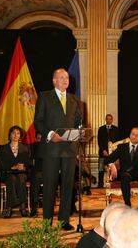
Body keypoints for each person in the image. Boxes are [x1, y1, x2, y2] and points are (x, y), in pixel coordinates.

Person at [34, 68, 83, 231]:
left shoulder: (74, 99)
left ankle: (64, 222)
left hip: (69, 149)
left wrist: (81, 131)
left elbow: (78, 122)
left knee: (68, 186)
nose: (65, 80)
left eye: (67, 77)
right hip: (51, 149)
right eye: (61, 77)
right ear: (54, 80)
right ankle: (47, 223)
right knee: (50, 185)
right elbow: (38, 122)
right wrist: (49, 134)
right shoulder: (44, 97)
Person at [105, 127, 138, 208]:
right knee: (125, 176)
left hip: (137, 172)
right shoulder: (121, 147)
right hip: (125, 172)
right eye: (132, 134)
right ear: (130, 135)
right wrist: (112, 165)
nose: (134, 136)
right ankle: (128, 205)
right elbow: (108, 159)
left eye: (137, 135)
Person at [0, 126, 30, 218]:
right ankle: (9, 208)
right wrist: (13, 167)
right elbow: (1, 164)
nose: (16, 135)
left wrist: (23, 166)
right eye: (13, 133)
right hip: (7, 172)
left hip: (21, 173)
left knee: (20, 178)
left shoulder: (25, 147)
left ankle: (23, 207)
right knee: (11, 179)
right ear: (10, 135)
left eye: (18, 133)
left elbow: (28, 163)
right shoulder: (3, 148)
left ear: (20, 135)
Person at [97, 114, 119, 188]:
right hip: (102, 153)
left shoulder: (116, 129)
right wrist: (103, 150)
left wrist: (113, 151)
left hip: (113, 153)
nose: (109, 120)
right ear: (105, 119)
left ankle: (113, 183)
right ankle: (100, 184)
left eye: (110, 119)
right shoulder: (101, 129)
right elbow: (99, 141)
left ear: (112, 120)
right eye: (107, 119)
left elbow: (117, 141)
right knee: (101, 168)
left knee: (113, 168)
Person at [29, 131, 43, 217]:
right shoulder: (33, 146)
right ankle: (34, 208)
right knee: (35, 180)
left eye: (42, 139)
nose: (40, 141)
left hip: (49, 172)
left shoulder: (50, 146)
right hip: (37, 172)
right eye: (38, 139)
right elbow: (29, 161)